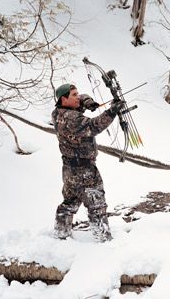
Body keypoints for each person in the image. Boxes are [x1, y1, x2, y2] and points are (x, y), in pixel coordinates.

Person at [51, 83, 124, 242]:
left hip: (69, 170)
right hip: (84, 171)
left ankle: (60, 234)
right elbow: (93, 126)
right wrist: (112, 112)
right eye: (74, 95)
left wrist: (88, 102)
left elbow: (82, 97)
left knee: (70, 202)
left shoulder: (57, 112)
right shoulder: (71, 118)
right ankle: (103, 240)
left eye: (77, 94)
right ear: (64, 99)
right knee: (97, 204)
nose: (78, 97)